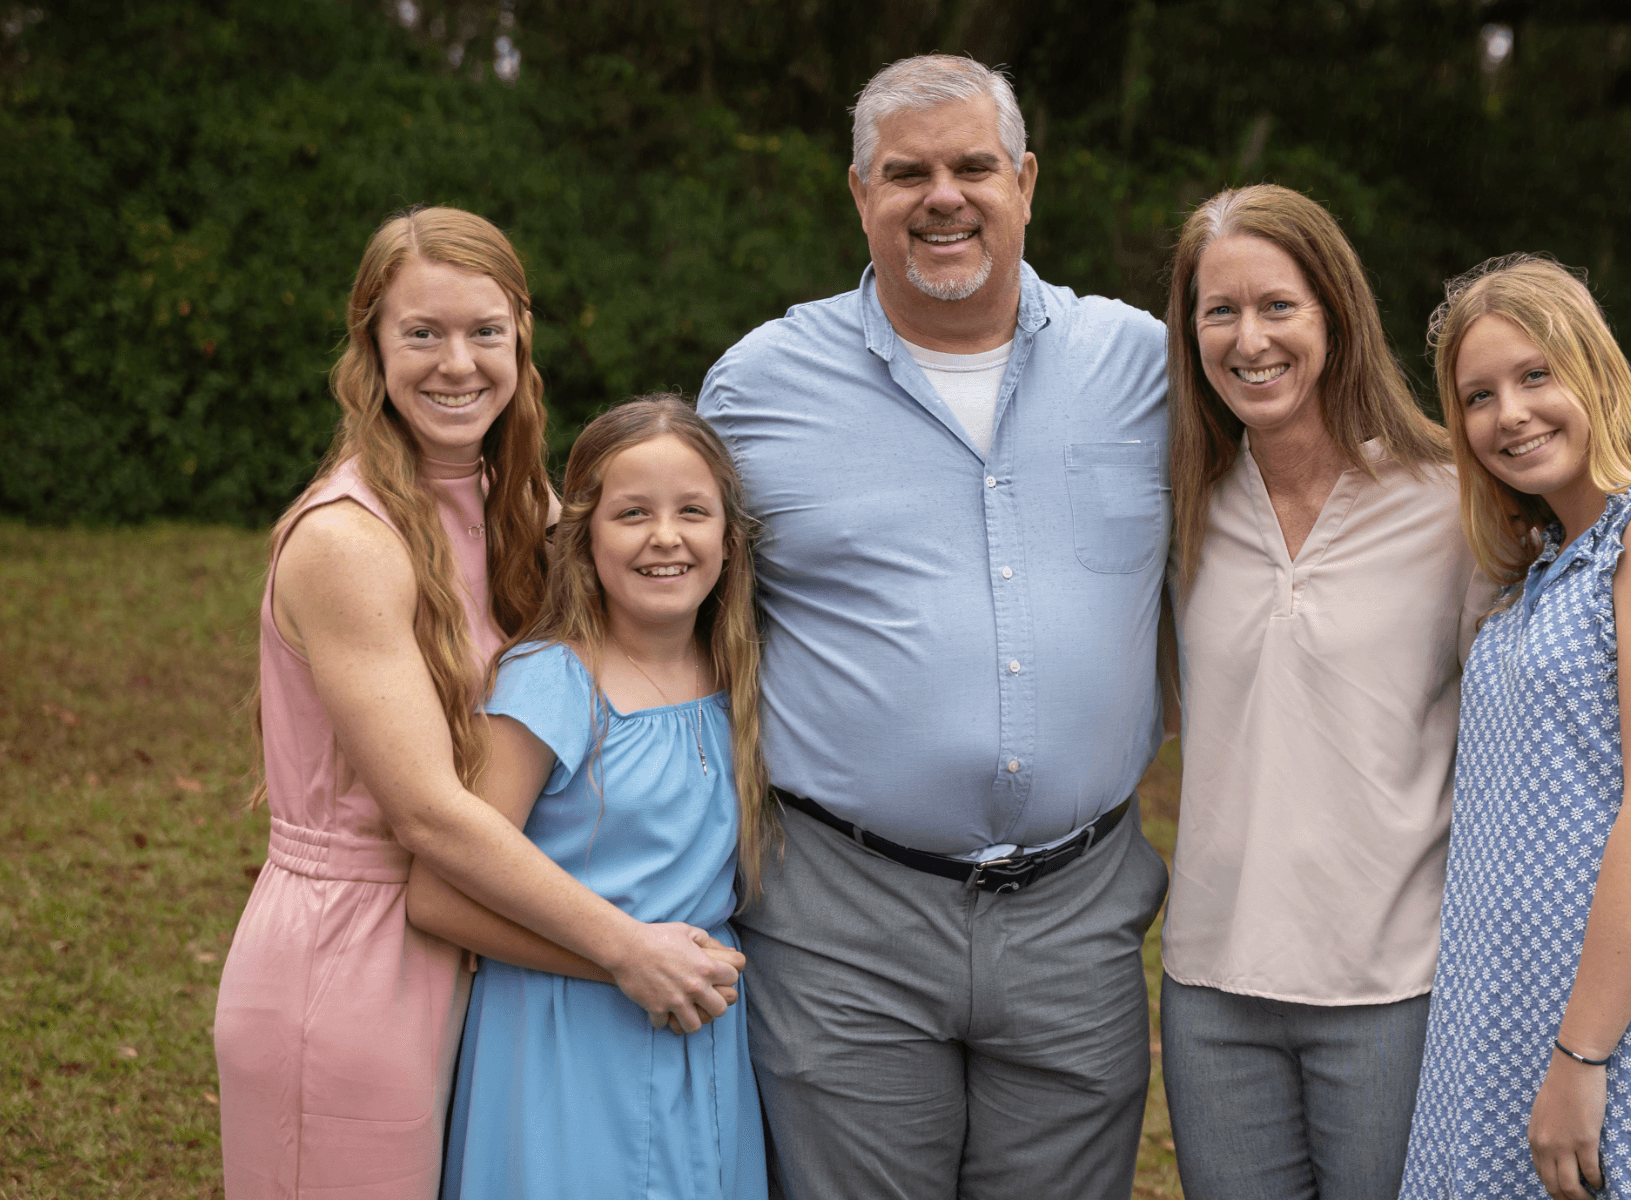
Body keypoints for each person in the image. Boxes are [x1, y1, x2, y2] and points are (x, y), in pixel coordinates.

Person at [1157, 186, 1631, 1200]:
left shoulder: (1453, 505)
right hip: (1210, 982)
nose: (1250, 339)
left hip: (1399, 984)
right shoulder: (1174, 505)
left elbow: (1604, 690)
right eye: (1221, 311)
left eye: (1279, 305)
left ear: (1336, 316)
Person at [697, 54, 1172, 1200]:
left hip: (1077, 917)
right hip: (840, 919)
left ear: (1025, 181)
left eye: (971, 167)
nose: (941, 197)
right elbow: (660, 608)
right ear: (860, 192)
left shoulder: (1145, 366)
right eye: (907, 173)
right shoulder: (758, 386)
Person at [213, 209, 742, 1199]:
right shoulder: (347, 541)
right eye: (422, 332)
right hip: (353, 957)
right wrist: (626, 946)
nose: (456, 363)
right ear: (371, 345)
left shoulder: (518, 504)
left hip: (487, 943)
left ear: (521, 338)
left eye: (484, 332)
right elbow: (425, 813)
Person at [1399, 255, 1631, 1199]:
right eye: (1478, 396)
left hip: (1629, 1027)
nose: (1511, 414)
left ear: (1594, 372)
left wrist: (1581, 1057)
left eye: (1536, 375)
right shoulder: (1544, 564)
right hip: (1507, 1010)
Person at [403, 395, 770, 1199]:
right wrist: (622, 960)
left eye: (692, 511)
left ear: (729, 539)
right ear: (584, 538)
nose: (665, 536)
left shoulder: (738, 675)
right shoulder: (551, 684)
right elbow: (437, 897)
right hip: (566, 1035)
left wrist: (673, 973)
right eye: (632, 513)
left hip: (703, 1029)